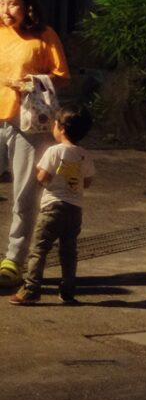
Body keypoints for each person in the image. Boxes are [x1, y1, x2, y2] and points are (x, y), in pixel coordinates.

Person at [0, 0, 68, 289]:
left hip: (27, 126)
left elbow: (61, 76)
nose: (5, 10)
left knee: (24, 195)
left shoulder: (44, 36)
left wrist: (31, 82)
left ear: (28, 6)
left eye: (12, 3)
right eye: (2, 3)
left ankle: (13, 260)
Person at [11, 104, 93, 307]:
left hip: (52, 208)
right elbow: (87, 182)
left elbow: (43, 178)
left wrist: (40, 175)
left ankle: (31, 290)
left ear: (61, 128)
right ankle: (67, 291)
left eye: (55, 124)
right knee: (69, 251)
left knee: (39, 250)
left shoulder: (53, 151)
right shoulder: (84, 154)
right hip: (74, 209)